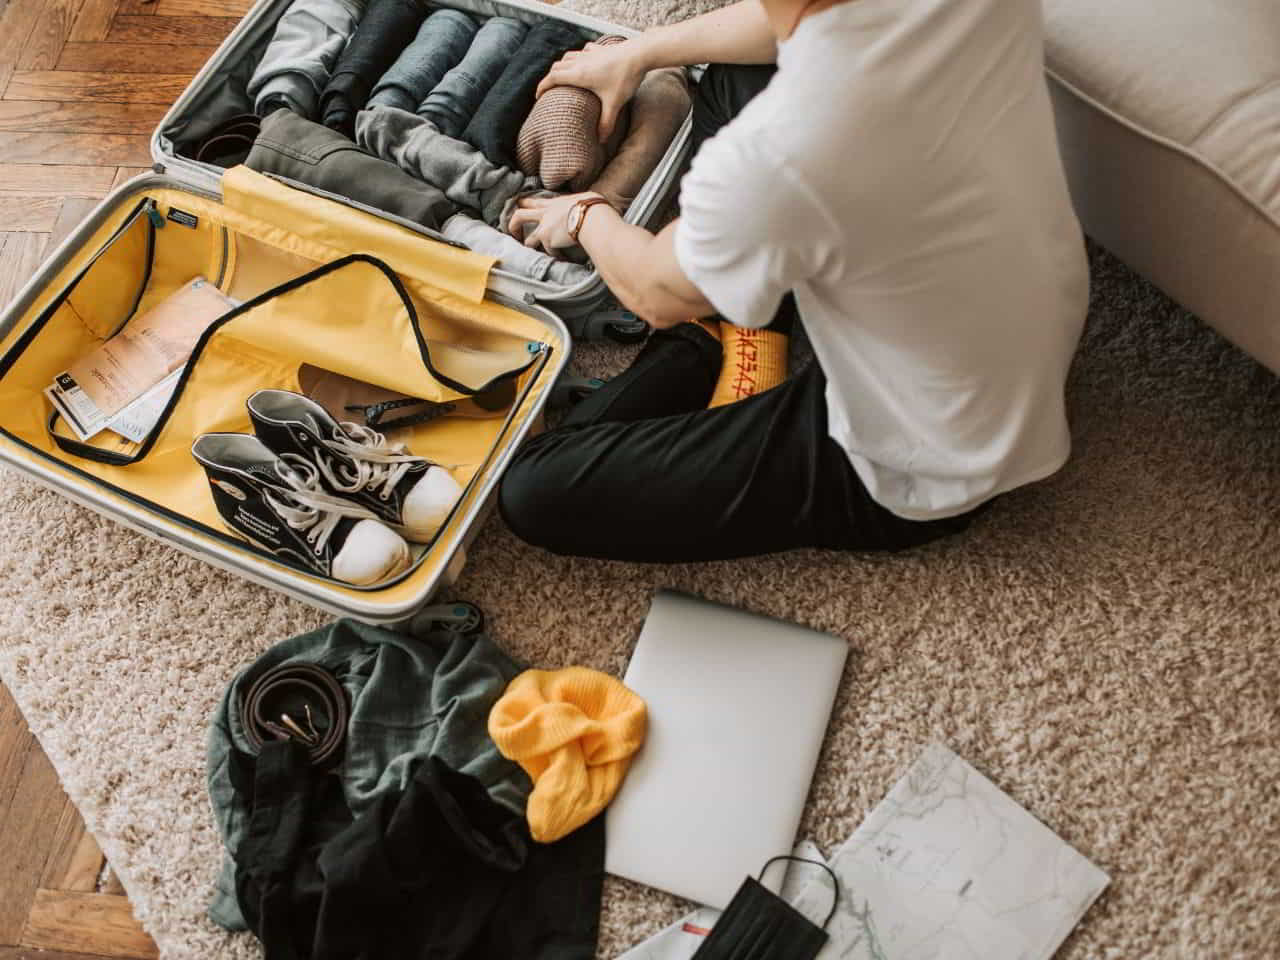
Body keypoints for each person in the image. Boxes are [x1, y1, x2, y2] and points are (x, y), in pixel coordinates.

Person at [498, 0, 1089, 563]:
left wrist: (583, 213)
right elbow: (786, 20)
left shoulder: (779, 152)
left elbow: (653, 295)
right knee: (735, 75)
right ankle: (735, 305)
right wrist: (638, 52)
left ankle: (709, 338)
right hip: (1011, 321)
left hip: (928, 460)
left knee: (535, 486)